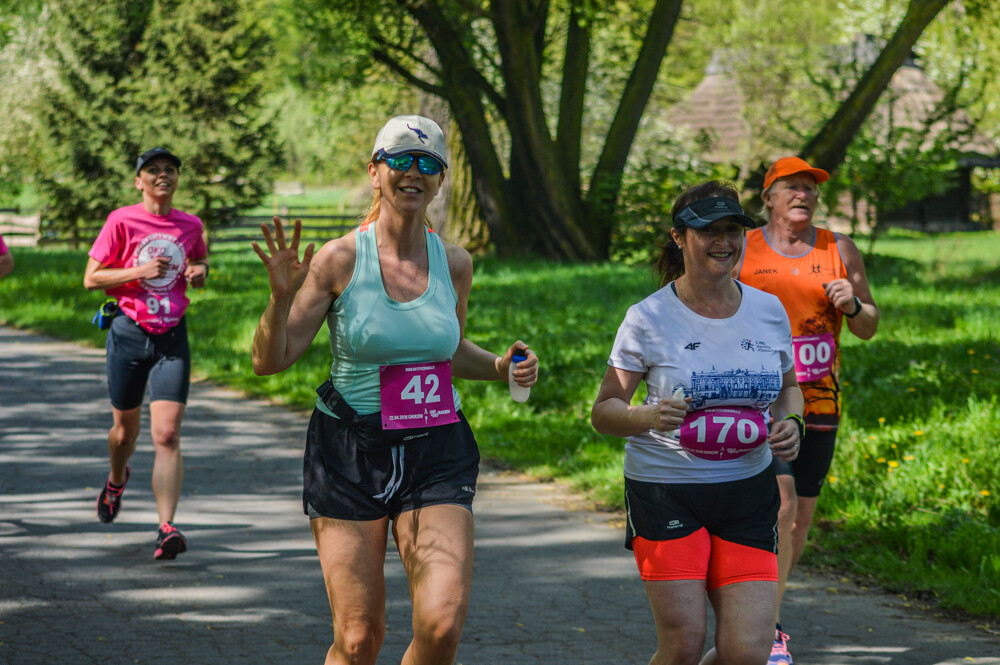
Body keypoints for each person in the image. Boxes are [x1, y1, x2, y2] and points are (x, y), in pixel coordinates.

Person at [250, 114, 538, 665]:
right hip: (349, 451)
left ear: (441, 179)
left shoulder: (454, 262)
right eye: (400, 159)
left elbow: (447, 352)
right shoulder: (339, 259)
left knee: (441, 626)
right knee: (359, 638)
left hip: (437, 448)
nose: (413, 171)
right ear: (374, 172)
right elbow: (270, 361)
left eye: (427, 162)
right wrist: (279, 299)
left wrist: (503, 367)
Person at [591, 180, 804, 665]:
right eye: (709, 230)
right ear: (679, 237)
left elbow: (789, 388)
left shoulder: (768, 310)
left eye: (733, 230)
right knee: (684, 645)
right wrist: (646, 415)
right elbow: (604, 411)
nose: (723, 242)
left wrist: (792, 422)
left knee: (746, 653)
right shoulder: (647, 318)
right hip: (667, 490)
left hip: (748, 492)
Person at [736, 156, 879, 664]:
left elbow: (868, 326)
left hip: (820, 400)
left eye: (811, 189)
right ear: (768, 198)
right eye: (792, 187)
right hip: (762, 399)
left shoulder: (839, 248)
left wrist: (853, 305)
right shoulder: (744, 248)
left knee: (800, 521)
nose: (804, 195)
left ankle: (763, 614)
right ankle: (766, 630)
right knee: (782, 504)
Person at [83, 147, 209, 560]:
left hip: (172, 336)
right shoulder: (121, 220)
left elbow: (199, 259)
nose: (162, 175)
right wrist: (140, 271)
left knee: (167, 434)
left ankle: (166, 527)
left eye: (170, 169)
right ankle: (117, 478)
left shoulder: (190, 225)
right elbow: (91, 278)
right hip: (129, 332)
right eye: (152, 170)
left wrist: (200, 272)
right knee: (125, 434)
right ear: (139, 181)